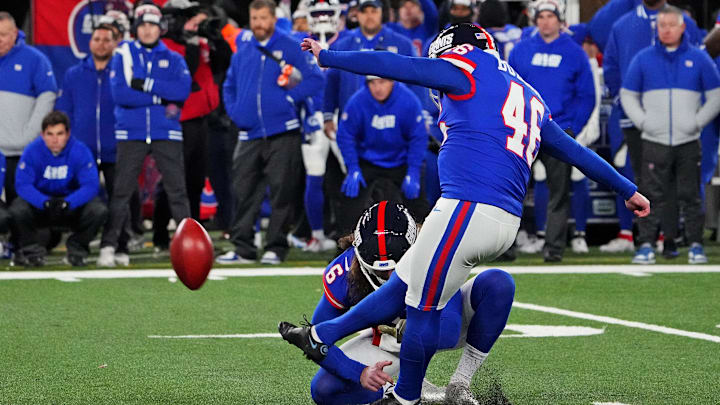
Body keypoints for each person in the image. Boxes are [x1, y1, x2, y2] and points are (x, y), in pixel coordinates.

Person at [281, 23, 650, 405]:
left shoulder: (465, 67)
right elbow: (575, 152)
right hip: (499, 216)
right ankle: (321, 335)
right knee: (403, 285)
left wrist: (328, 57)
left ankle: (407, 397)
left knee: (420, 306)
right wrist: (627, 189)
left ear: (454, 51)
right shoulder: (527, 93)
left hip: (470, 205)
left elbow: (392, 64)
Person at [296, 201, 514, 405]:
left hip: (437, 321)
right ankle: (396, 390)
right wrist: (358, 372)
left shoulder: (432, 245)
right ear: (359, 255)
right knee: (323, 389)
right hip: (386, 341)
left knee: (498, 283)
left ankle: (460, 383)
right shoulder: (344, 272)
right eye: (380, 270)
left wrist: (407, 324)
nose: (391, 275)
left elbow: (448, 331)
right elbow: (317, 339)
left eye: (398, 265)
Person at [216, 0, 323, 265]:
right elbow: (228, 85)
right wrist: (236, 112)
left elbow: (316, 78)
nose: (258, 24)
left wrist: (290, 100)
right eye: (254, 18)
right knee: (244, 191)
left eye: (263, 18)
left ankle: (275, 247)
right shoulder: (243, 50)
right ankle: (242, 248)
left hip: (283, 131)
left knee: (282, 193)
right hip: (249, 133)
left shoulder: (290, 46)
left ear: (273, 19)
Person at [601, 0, 704, 253]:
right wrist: (626, 102)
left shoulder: (685, 22)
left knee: (672, 179)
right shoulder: (623, 24)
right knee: (638, 176)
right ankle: (636, 236)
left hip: (675, 118)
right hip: (635, 117)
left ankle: (667, 237)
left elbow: (698, 61)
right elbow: (611, 67)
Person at [620, 6, 720, 264]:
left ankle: (696, 245)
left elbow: (716, 94)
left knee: (690, 194)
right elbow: (628, 94)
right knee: (649, 194)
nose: (665, 30)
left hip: (688, 141)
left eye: (670, 25)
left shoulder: (699, 59)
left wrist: (697, 122)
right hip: (654, 139)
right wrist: (644, 122)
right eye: (661, 25)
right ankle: (646, 246)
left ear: (682, 27)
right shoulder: (643, 59)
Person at [98, 2, 192, 267]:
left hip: (166, 132)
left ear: (160, 28)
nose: (148, 30)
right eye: (143, 25)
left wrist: (147, 86)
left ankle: (190, 252)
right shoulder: (123, 55)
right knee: (122, 191)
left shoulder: (174, 57)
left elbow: (182, 91)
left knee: (178, 192)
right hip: (132, 132)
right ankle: (110, 246)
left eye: (152, 25)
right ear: (136, 28)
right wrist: (161, 98)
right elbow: (121, 94)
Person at [508, 0, 596, 261]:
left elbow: (587, 95)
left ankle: (554, 248)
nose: (545, 21)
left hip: (558, 129)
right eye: (541, 16)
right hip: (526, 129)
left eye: (550, 16)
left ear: (560, 20)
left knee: (559, 191)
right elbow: (509, 88)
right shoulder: (520, 50)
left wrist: (572, 128)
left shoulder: (574, 52)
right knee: (513, 189)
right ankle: (505, 246)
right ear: (535, 20)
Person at [153, 0, 230, 252]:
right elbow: (187, 73)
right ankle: (160, 234)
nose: (197, 26)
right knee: (175, 180)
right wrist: (192, 43)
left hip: (201, 119)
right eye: (192, 21)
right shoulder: (167, 46)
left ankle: (194, 236)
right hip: (178, 120)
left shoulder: (201, 40)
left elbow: (223, 63)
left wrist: (216, 39)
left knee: (196, 180)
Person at [56, 23, 134, 265]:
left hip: (116, 147)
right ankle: (79, 247)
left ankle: (120, 246)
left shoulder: (124, 72)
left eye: (106, 39)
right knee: (84, 201)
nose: (101, 43)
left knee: (120, 199)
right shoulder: (74, 74)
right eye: (97, 39)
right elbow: (64, 111)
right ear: (89, 43)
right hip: (83, 151)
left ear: (115, 43)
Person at [10, 111, 107, 267]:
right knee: (18, 210)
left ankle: (77, 251)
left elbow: (90, 185)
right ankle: (32, 253)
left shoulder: (80, 151)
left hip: (69, 204)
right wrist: (43, 202)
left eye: (59, 134)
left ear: (68, 134)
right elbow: (23, 185)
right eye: (50, 134)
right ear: (42, 134)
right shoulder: (32, 151)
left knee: (98, 210)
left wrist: (69, 202)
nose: (55, 139)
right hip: (42, 205)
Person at [336, 76, 428, 232]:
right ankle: (346, 248)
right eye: (372, 83)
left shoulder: (408, 101)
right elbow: (345, 135)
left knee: (418, 203)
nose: (377, 88)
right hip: (368, 161)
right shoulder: (357, 101)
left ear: (392, 81)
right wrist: (352, 168)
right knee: (349, 201)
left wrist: (413, 171)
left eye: (382, 82)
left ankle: (424, 245)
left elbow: (417, 138)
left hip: (401, 161)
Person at [0, 11, 57, 206]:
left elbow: (47, 99)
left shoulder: (35, 60)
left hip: (21, 154)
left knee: (20, 209)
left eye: (3, 35)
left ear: (15, 33)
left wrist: (28, 137)